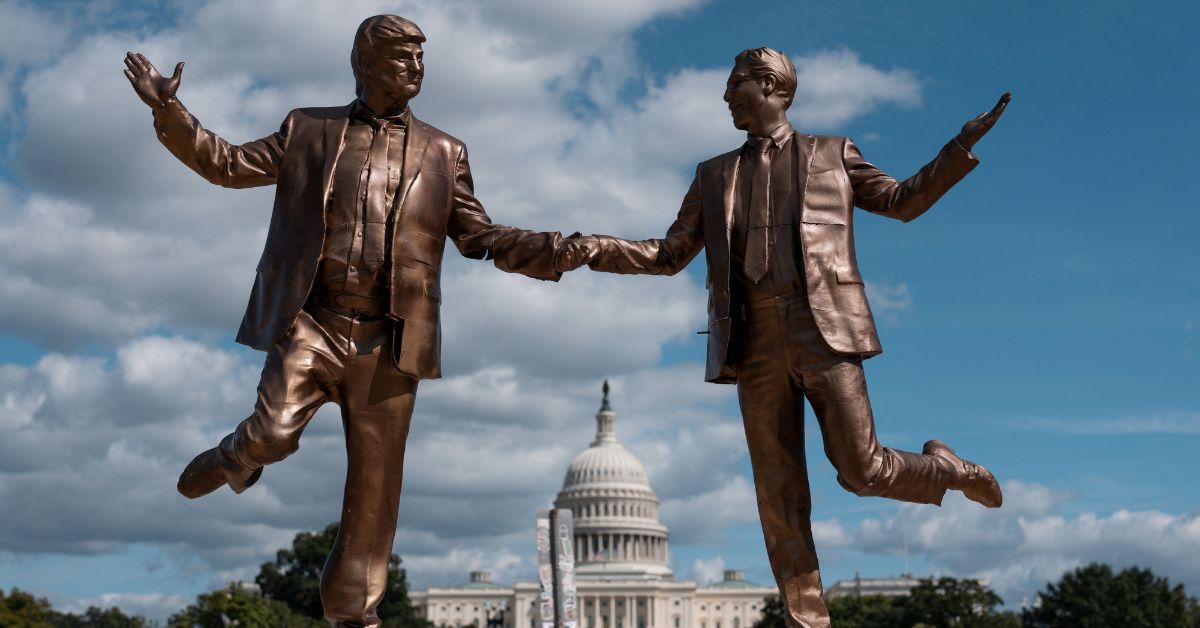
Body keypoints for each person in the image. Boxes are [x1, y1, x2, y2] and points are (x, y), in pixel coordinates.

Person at [123, 15, 585, 626]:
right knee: (273, 433)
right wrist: (171, 112)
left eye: (420, 59)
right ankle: (236, 457)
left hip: (391, 342)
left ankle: (352, 617)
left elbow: (481, 236)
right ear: (364, 64)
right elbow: (226, 164)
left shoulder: (446, 152)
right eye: (400, 58)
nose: (414, 70)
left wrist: (551, 250)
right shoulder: (309, 129)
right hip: (313, 322)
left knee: (374, 496)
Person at [559, 47, 1011, 627]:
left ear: (773, 87)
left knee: (861, 471)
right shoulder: (713, 173)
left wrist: (957, 149)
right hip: (753, 340)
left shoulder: (832, 153)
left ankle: (948, 471)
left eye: (735, 86)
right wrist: (590, 248)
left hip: (820, 325)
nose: (725, 98)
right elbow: (668, 254)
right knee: (779, 496)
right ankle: (808, 620)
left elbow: (903, 202)